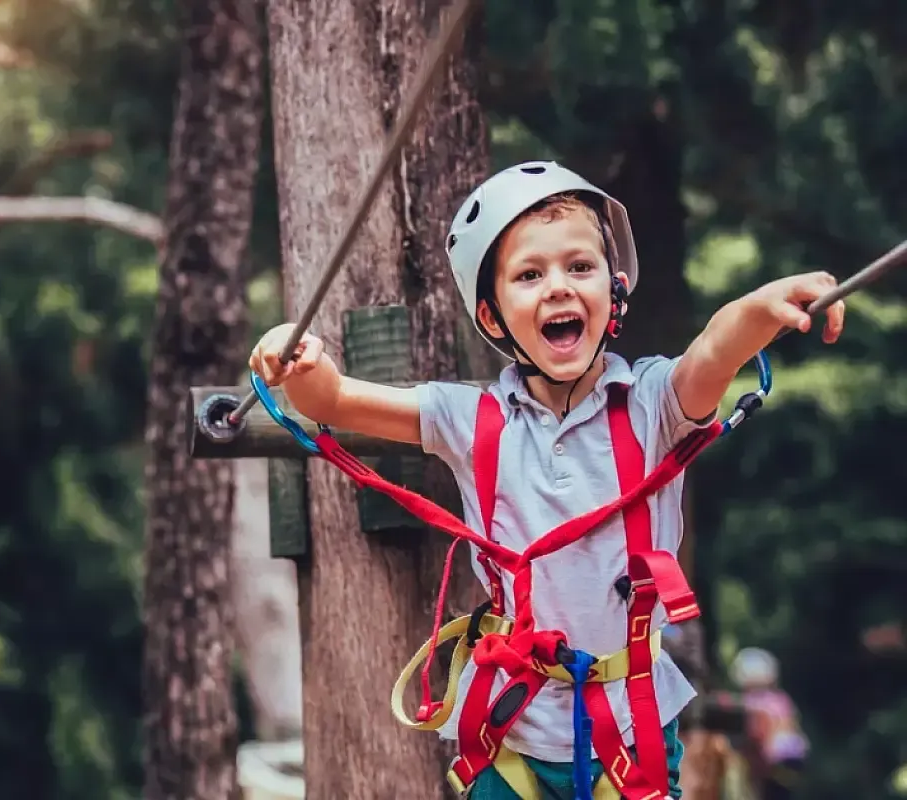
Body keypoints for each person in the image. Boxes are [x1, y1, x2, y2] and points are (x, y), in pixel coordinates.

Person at [248, 162, 844, 799]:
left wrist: (757, 309)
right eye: (529, 275)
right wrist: (295, 355)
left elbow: (715, 350)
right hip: (512, 734)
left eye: (579, 267)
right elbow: (336, 400)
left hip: (631, 728)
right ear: (492, 316)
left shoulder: (654, 404)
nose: (558, 287)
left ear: (615, 291)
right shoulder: (469, 418)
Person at [731, 648, 810, 800]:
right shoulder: (781, 699)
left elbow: (756, 733)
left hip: (771, 760)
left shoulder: (751, 702)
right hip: (788, 758)